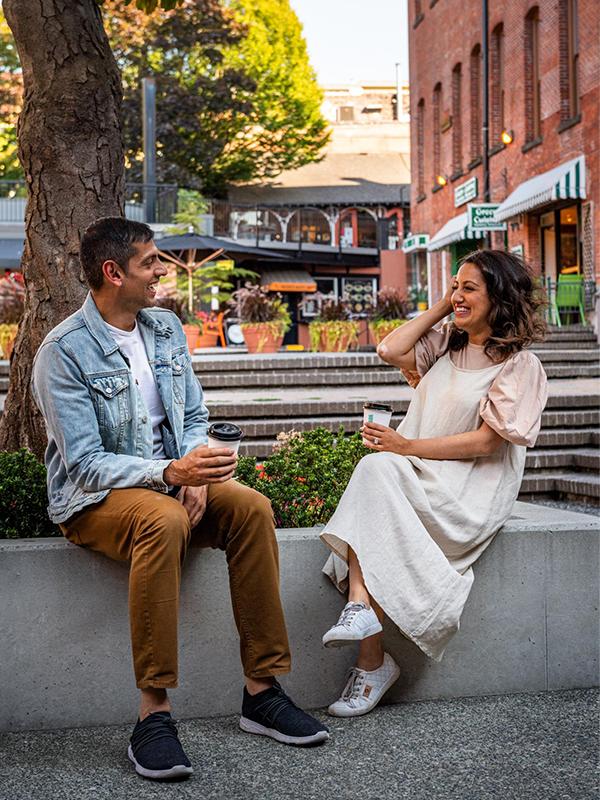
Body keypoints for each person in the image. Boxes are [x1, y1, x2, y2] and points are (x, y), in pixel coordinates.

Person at [32, 217, 328, 782]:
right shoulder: (64, 351)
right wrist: (171, 473)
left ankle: (262, 692)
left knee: (250, 508)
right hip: (93, 499)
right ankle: (154, 714)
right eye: (150, 262)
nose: (162, 270)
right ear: (112, 273)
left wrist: (194, 471)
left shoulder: (165, 329)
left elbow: (191, 417)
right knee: (164, 520)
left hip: (173, 482)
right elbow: (86, 464)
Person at [320, 250, 548, 717]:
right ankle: (366, 639)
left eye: (470, 288)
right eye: (454, 286)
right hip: (416, 475)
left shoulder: (520, 367)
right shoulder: (446, 345)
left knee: (378, 470)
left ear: (499, 297)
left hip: (466, 493)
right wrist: (448, 307)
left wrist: (405, 447)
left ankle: (369, 649)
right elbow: (389, 349)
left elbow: (488, 443)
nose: (458, 295)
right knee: (376, 472)